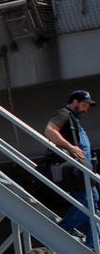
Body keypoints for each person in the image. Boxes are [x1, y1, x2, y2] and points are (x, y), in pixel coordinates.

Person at [45, 87, 98, 236]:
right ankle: (64, 228)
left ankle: (93, 241)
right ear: (75, 102)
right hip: (76, 170)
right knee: (88, 201)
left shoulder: (75, 122)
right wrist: (70, 147)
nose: (86, 109)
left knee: (92, 202)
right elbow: (50, 130)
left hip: (84, 170)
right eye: (84, 105)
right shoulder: (64, 114)